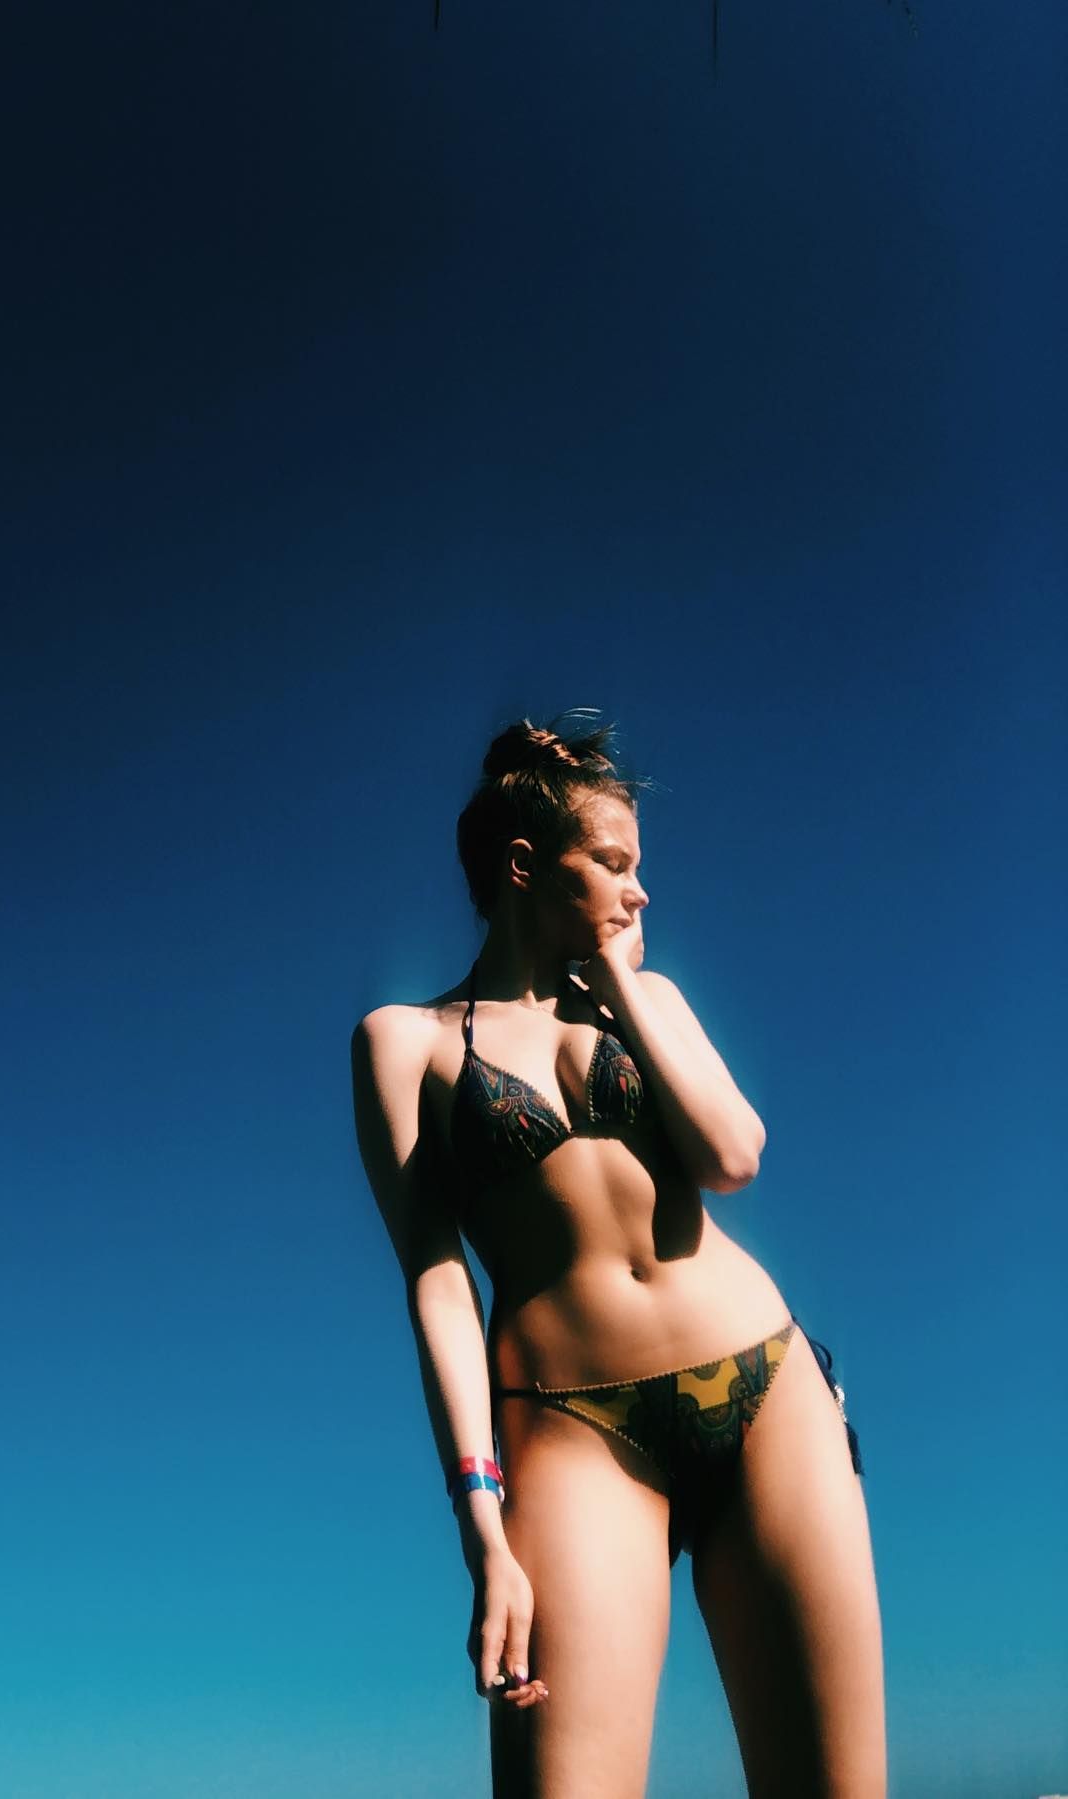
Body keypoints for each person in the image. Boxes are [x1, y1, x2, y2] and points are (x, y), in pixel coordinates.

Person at [350, 710, 885, 1798]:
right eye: (614, 862)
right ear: (524, 865)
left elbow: (733, 1155)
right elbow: (438, 1281)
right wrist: (482, 1526)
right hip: (573, 1428)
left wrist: (625, 988)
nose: (640, 892)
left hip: (765, 1386)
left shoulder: (652, 1000)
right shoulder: (403, 1042)